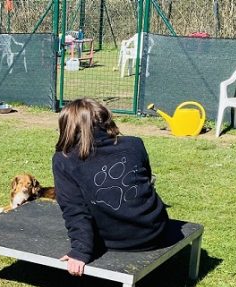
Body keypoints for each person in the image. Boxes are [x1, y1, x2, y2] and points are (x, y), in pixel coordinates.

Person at [52, 98, 169, 277]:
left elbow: (74, 209)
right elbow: (146, 183)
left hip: (119, 241)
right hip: (156, 230)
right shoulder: (134, 144)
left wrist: (80, 251)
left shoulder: (64, 160)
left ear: (68, 128)